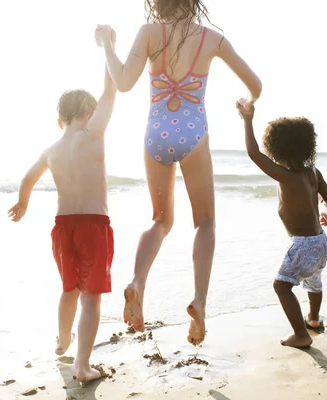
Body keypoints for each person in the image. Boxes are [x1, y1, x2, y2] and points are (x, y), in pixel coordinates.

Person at [94, 0, 262, 346]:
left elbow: (123, 82)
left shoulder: (149, 32)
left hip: (156, 130)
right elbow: (255, 84)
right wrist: (247, 103)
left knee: (160, 220)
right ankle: (199, 302)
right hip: (193, 130)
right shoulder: (212, 38)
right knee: (205, 223)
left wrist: (107, 46)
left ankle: (137, 282)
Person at [8, 29, 117, 383]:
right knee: (91, 298)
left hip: (62, 227)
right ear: (89, 113)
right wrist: (108, 47)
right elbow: (110, 90)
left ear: (60, 121)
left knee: (69, 288)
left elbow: (27, 179)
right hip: (92, 225)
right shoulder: (93, 133)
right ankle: (82, 366)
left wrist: (22, 205)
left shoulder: (51, 149)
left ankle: (63, 338)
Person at [237, 100, 327, 348]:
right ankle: (313, 320)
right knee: (314, 281)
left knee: (281, 286)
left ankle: (301, 334)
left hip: (303, 244)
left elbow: (253, 153)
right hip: (320, 240)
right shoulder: (313, 172)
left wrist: (247, 120)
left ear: (277, 150)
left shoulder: (285, 175)